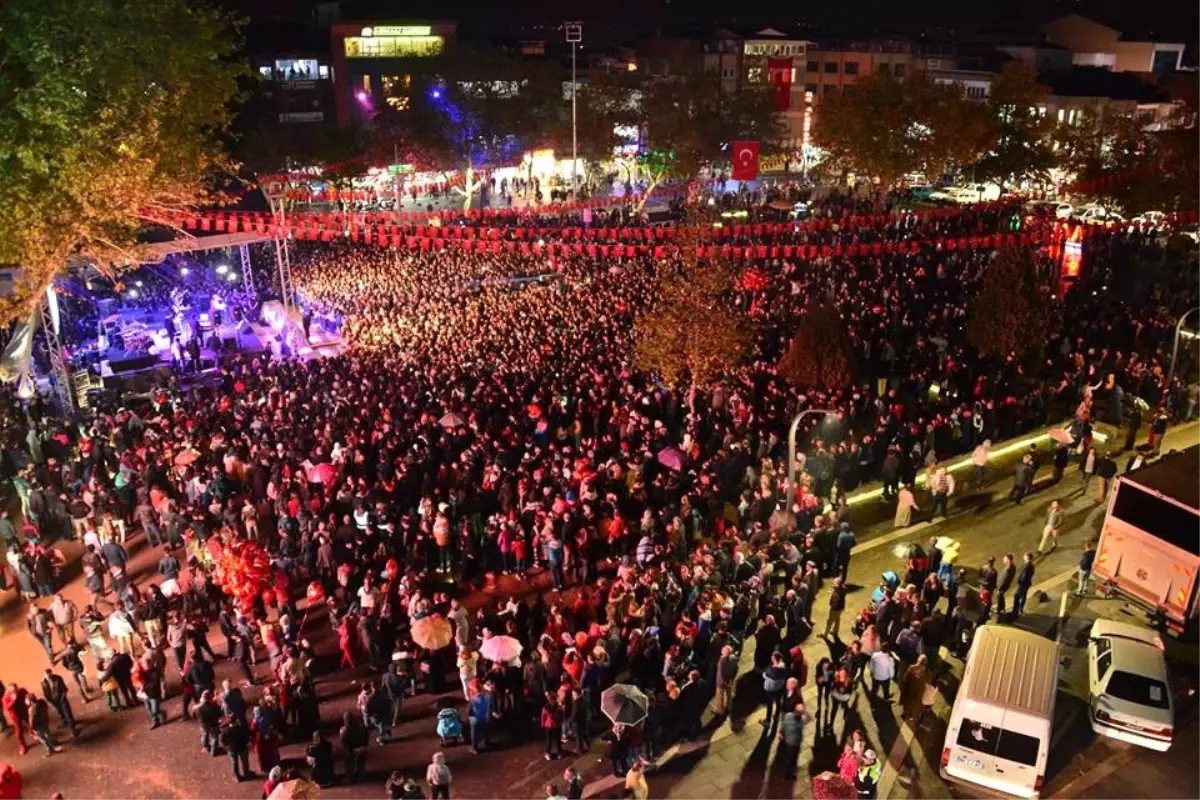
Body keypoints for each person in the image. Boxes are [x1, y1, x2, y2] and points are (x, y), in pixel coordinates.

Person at [778, 701, 811, 780]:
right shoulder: (801, 721)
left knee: (789, 756)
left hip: (788, 740)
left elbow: (784, 725)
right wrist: (805, 711)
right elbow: (809, 718)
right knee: (793, 758)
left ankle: (788, 771)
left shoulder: (788, 716)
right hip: (795, 743)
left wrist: (781, 732)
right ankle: (790, 773)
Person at [41, 668, 78, 736]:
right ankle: (65, 721)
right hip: (54, 701)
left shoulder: (58, 678)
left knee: (67, 713)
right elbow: (45, 693)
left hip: (62, 699)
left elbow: (64, 689)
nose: (48, 676)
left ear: (51, 673)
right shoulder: (43, 682)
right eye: (47, 675)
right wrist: (50, 701)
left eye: (49, 674)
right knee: (60, 712)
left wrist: (63, 698)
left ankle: (73, 728)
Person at [340, 709, 369, 783]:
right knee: (361, 763)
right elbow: (367, 735)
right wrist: (364, 746)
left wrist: (350, 750)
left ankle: (350, 778)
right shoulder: (362, 726)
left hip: (352, 750)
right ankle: (360, 776)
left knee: (350, 764)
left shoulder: (345, 731)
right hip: (362, 748)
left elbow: (345, 743)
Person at [900, 654, 932, 722]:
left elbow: (905, 679)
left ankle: (910, 715)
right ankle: (909, 714)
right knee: (910, 705)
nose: (918, 664)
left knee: (912, 705)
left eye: (920, 663)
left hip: (915, 693)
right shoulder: (926, 672)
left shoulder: (926, 672)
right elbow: (905, 678)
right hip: (914, 693)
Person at [221, 714, 252, 782]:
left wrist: (227, 745)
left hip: (232, 749)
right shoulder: (241, 728)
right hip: (242, 747)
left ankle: (236, 777)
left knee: (234, 762)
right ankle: (246, 773)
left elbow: (223, 740)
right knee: (244, 762)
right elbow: (247, 736)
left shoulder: (226, 730)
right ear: (236, 721)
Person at [713, 644, 737, 716]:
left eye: (723, 650)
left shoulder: (721, 661)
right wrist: (732, 678)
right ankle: (729, 707)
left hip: (721, 682)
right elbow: (736, 668)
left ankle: (720, 710)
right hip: (729, 679)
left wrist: (723, 682)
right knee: (729, 694)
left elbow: (721, 673)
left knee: (720, 696)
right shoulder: (733, 658)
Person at [1013, 552, 1035, 618]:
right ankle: (1020, 610)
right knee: (1023, 596)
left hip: (1022, 584)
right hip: (1027, 584)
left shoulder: (1027, 566)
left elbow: (1024, 576)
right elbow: (1031, 574)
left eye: (1024, 556)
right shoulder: (1031, 565)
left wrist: (1020, 583)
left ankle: (1016, 610)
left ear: (1027, 557)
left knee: (1017, 595)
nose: (1023, 557)